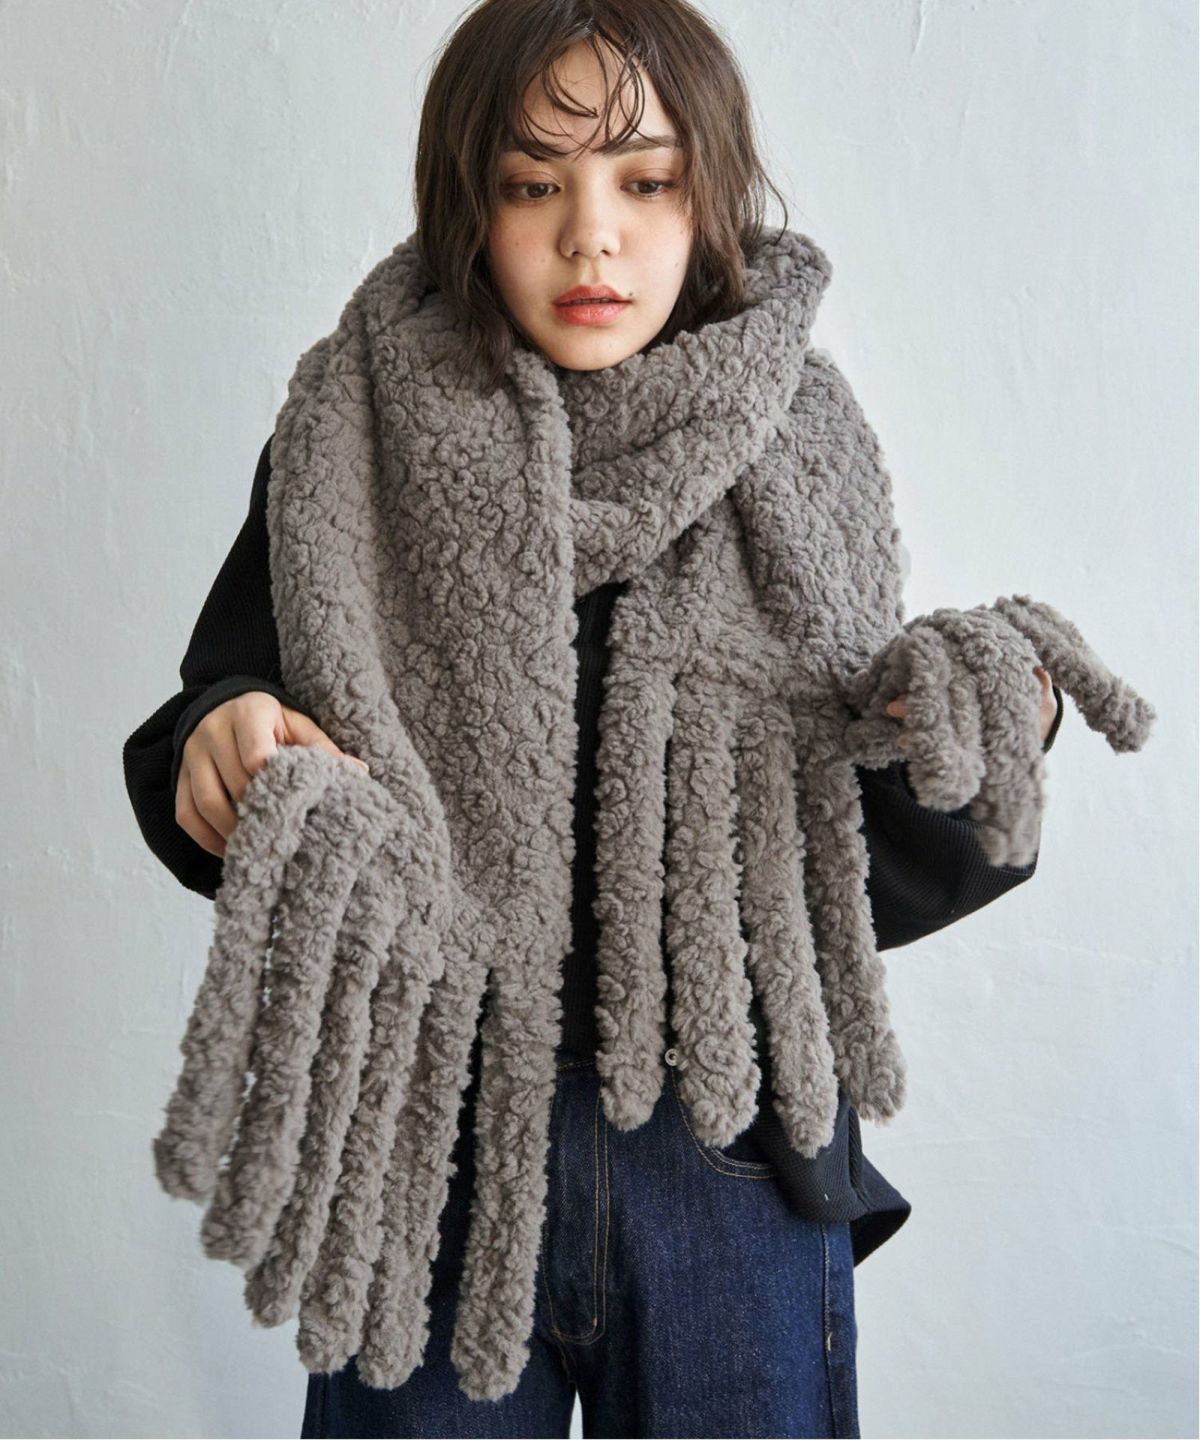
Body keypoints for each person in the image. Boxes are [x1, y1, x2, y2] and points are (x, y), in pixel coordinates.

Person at [123, 3, 1062, 1436]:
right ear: (466, 205)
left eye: (646, 179)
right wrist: (224, 732)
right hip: (427, 1137)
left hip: (727, 1142)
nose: (591, 236)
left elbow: (838, 860)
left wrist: (982, 740)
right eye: (531, 183)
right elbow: (218, 715)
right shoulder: (350, 438)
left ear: (712, 196)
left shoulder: (793, 449)